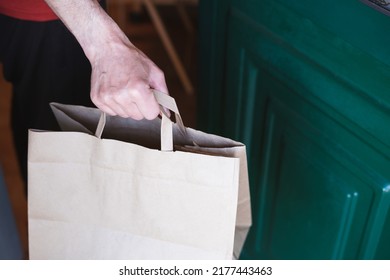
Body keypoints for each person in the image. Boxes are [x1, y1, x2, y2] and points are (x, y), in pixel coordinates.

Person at [0, 0, 168, 186]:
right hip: (58, 15)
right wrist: (106, 44)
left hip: (68, 13)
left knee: (37, 118)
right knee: (58, 163)